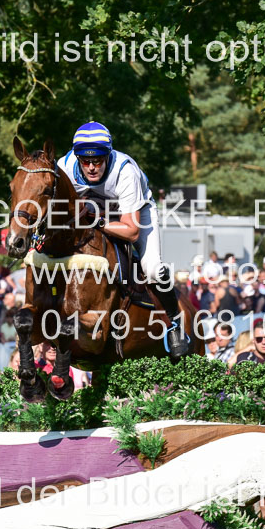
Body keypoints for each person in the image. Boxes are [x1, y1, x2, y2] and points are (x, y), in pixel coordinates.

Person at [57, 121, 190, 358]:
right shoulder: (64, 167)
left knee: (153, 270)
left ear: (107, 155)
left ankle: (175, 323)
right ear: (76, 157)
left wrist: (96, 221)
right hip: (90, 209)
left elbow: (131, 231)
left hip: (133, 214)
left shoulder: (125, 171)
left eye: (97, 160)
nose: (91, 167)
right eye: (85, 161)